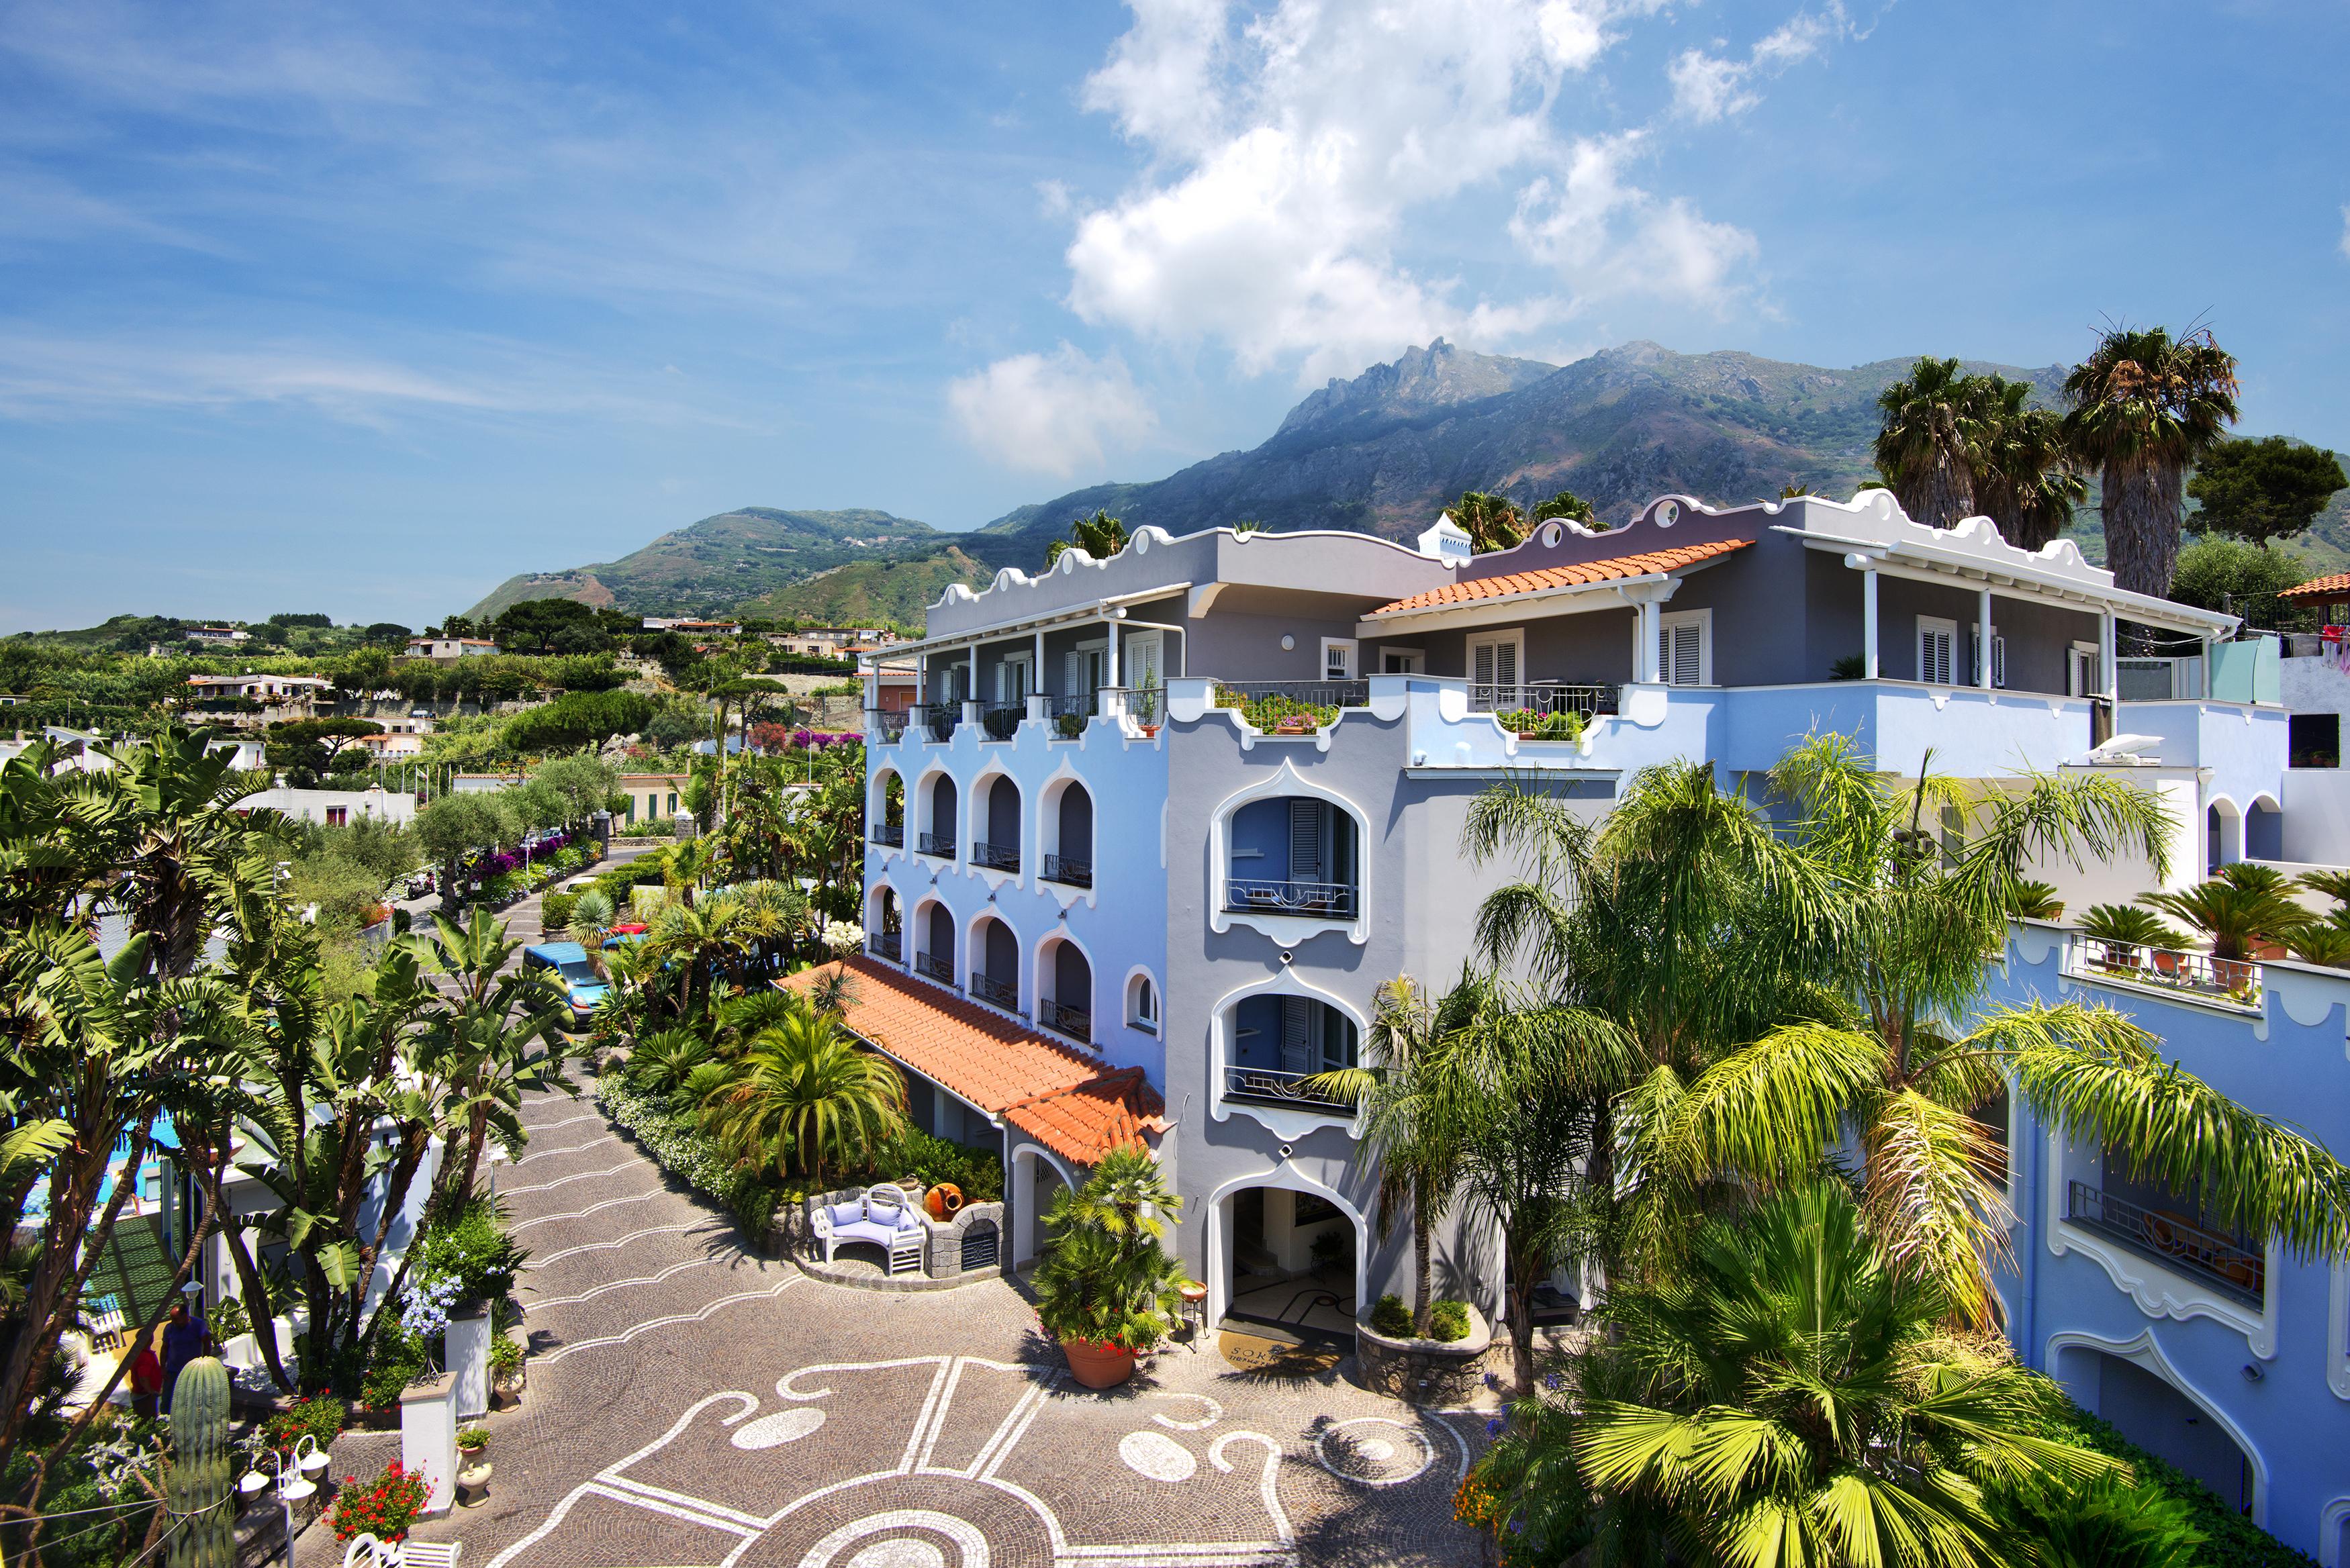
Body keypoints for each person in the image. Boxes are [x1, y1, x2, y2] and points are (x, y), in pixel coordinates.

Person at [158, 1302, 206, 1414]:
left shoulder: (198, 1325)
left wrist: (204, 1362)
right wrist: (163, 1368)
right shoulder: (169, 1328)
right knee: (167, 1399)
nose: (173, 1322)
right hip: (173, 1370)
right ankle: (165, 1420)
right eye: (172, 1319)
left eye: (176, 1319)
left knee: (191, 1399)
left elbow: (207, 1343)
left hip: (192, 1371)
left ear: (185, 1316)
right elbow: (164, 1348)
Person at [128, 1333, 164, 1421]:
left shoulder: (139, 1353)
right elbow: (143, 1378)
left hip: (143, 1395)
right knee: (149, 1423)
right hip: (144, 1397)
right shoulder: (145, 1357)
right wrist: (151, 1391)